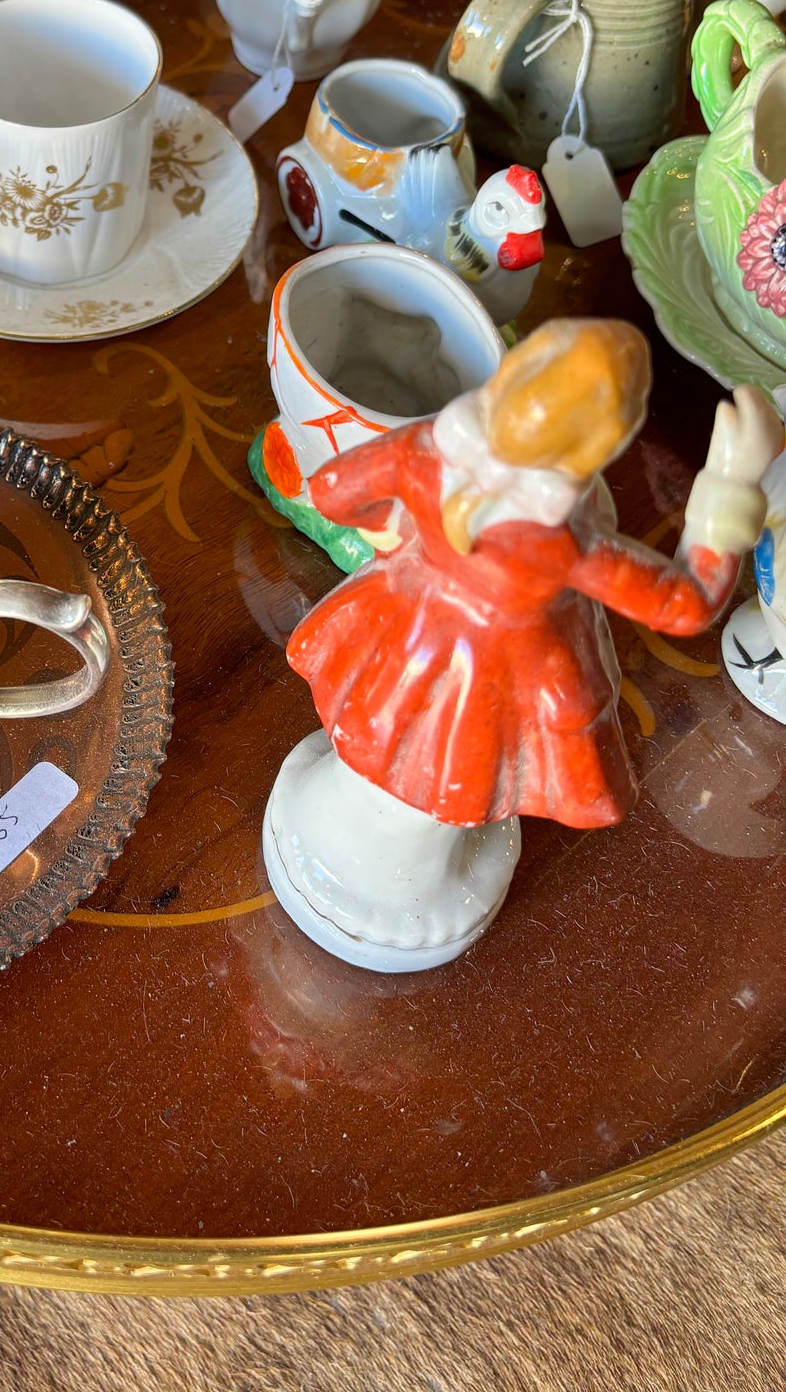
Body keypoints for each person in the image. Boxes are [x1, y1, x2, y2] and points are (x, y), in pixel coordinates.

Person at [265, 318, 783, 971]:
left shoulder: (433, 444)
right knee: (450, 768)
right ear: (604, 441)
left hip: (407, 629)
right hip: (498, 684)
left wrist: (403, 542)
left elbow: (334, 491)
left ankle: (369, 847)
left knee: (386, 734)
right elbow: (682, 602)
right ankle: (390, 882)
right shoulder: (558, 541)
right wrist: (729, 485)